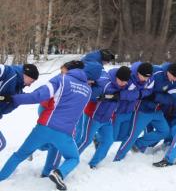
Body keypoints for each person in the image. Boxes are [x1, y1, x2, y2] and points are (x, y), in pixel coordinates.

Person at [0, 61, 102, 191]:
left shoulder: (61, 79)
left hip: (45, 126)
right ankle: (58, 172)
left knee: (19, 155)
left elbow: (38, 96)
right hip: (65, 133)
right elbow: (77, 113)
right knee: (73, 158)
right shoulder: (88, 91)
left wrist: (13, 98)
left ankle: (1, 178)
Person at [113, 62, 155, 161]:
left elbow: (149, 91)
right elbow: (120, 93)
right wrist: (136, 94)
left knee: (123, 136)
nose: (145, 79)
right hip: (118, 110)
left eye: (147, 77)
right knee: (112, 137)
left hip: (130, 110)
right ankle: (99, 139)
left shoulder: (150, 79)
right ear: (137, 73)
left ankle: (118, 155)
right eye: (143, 76)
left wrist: (138, 94)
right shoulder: (129, 76)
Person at [0, 63, 39, 151]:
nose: (30, 85)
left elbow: (5, 108)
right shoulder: (9, 72)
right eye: (32, 81)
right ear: (26, 75)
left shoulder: (18, 90)